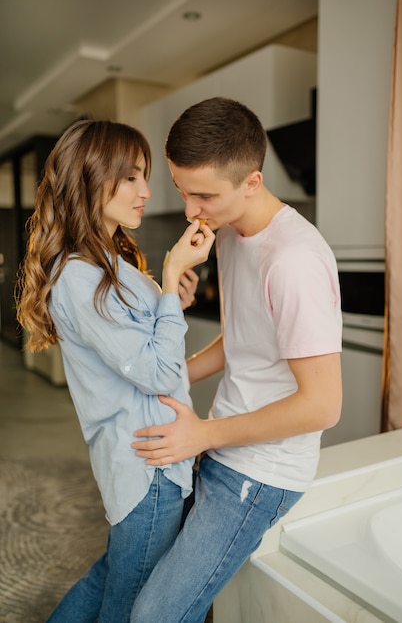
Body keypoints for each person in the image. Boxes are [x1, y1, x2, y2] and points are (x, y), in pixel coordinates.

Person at [130, 97, 343, 623]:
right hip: (226, 449)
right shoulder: (230, 236)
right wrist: (171, 376)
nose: (190, 211)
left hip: (262, 474)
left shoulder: (294, 260)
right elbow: (242, 339)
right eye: (182, 190)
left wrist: (202, 435)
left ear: (252, 181)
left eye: (204, 195)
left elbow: (322, 407)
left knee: (153, 615)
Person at [15, 119, 215, 623]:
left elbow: (147, 348)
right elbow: (158, 372)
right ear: (87, 178)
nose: (146, 191)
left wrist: (171, 300)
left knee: (110, 575)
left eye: (144, 176)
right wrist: (168, 282)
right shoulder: (81, 276)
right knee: (128, 605)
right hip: (149, 468)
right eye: (130, 177)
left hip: (149, 458)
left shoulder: (108, 260)